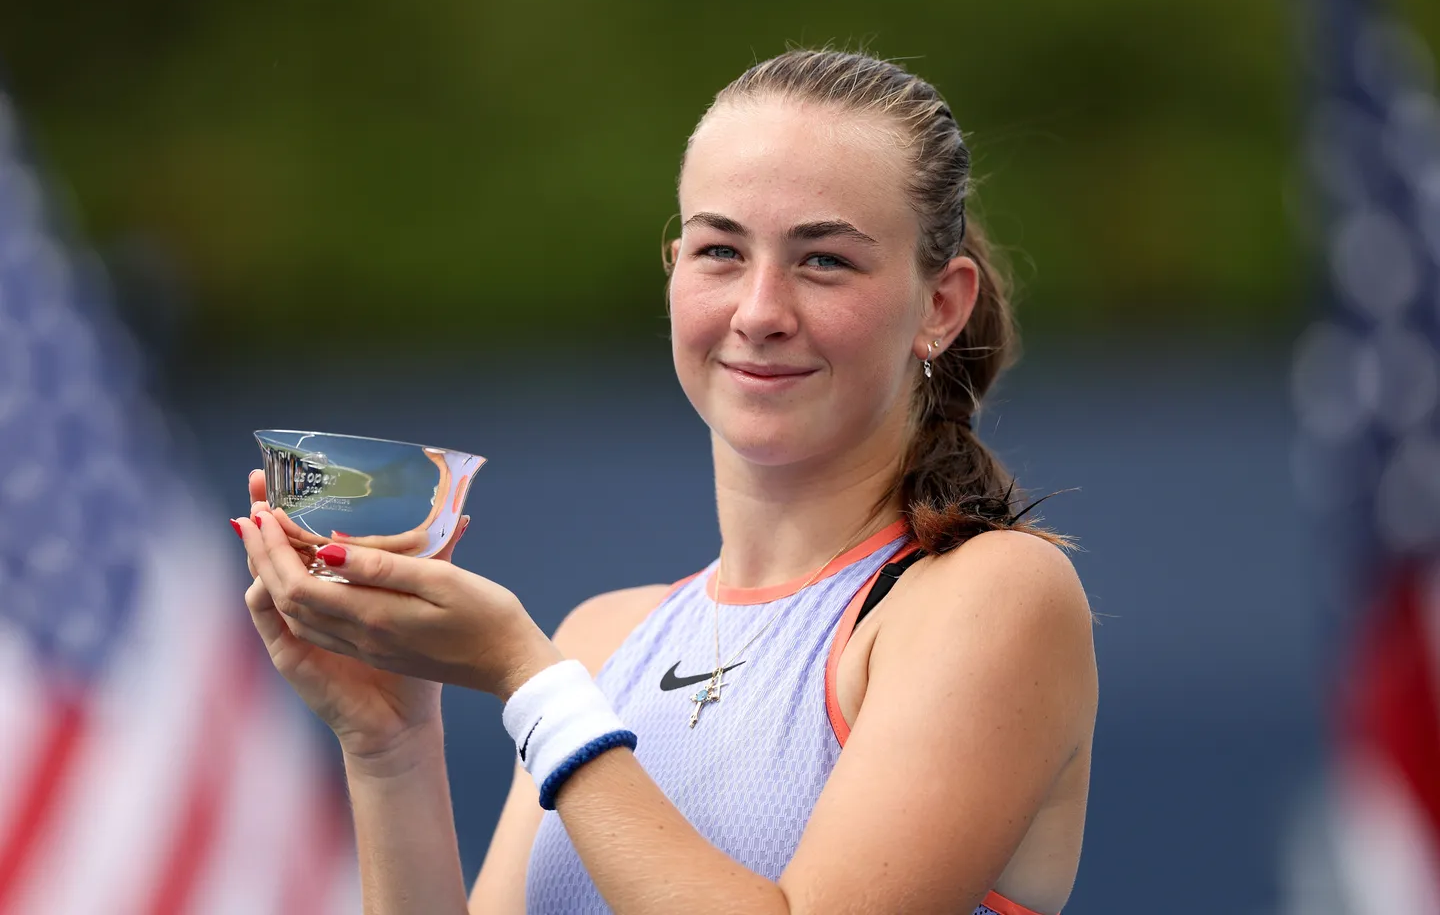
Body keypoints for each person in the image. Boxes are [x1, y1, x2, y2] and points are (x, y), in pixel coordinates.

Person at [235, 48, 1098, 915]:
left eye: (825, 261)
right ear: (674, 268)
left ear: (940, 306)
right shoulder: (600, 640)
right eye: (721, 250)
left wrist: (531, 684)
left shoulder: (995, 595)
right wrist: (391, 744)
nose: (759, 312)